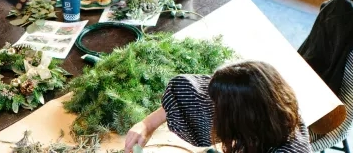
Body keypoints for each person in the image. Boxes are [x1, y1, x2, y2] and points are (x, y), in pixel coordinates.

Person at [124, 61, 311, 153]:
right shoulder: (263, 104)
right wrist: (147, 124)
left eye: (217, 107)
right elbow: (188, 91)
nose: (210, 105)